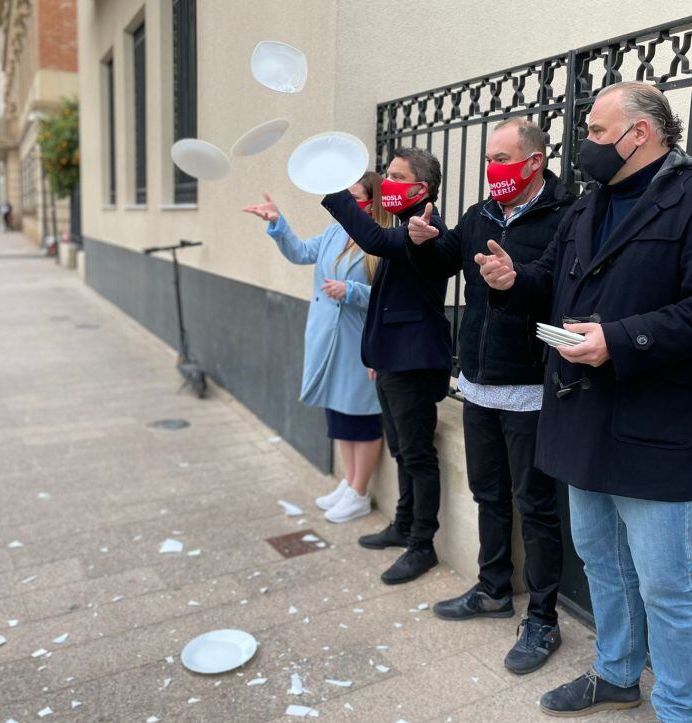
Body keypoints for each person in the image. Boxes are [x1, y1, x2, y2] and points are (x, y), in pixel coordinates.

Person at [477, 82, 692, 720]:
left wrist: (619, 341)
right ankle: (618, 674)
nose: (586, 145)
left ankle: (678, 709)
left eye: (598, 132)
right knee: (602, 559)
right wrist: (513, 281)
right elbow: (551, 281)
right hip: (580, 412)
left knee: (666, 583)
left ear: (641, 133)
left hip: (653, 423)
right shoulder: (587, 207)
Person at [405, 118, 572, 674]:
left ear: (534, 162)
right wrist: (423, 241)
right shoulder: (480, 215)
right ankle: (493, 588)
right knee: (488, 494)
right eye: (487, 159)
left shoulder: (564, 214)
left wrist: (516, 276)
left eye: (502, 158)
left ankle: (543, 619)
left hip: (528, 385)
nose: (492, 169)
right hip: (477, 382)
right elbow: (445, 258)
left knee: (536, 507)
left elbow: (559, 284)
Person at [321, 148, 452, 585]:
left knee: (417, 455)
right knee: (400, 449)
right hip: (391, 360)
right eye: (388, 175)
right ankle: (402, 524)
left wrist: (333, 191)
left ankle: (422, 545)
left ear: (423, 188)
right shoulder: (402, 226)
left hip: (414, 364)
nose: (388, 184)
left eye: (397, 176)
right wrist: (376, 355)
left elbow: (375, 241)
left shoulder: (426, 228)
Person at [242, 172, 390, 524]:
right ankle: (348, 482)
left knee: (362, 418)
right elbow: (300, 252)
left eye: (356, 198)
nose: (349, 204)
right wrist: (278, 222)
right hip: (328, 339)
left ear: (373, 201)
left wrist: (351, 292)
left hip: (359, 343)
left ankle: (359, 491)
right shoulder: (335, 232)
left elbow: (391, 299)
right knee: (338, 413)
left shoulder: (382, 242)